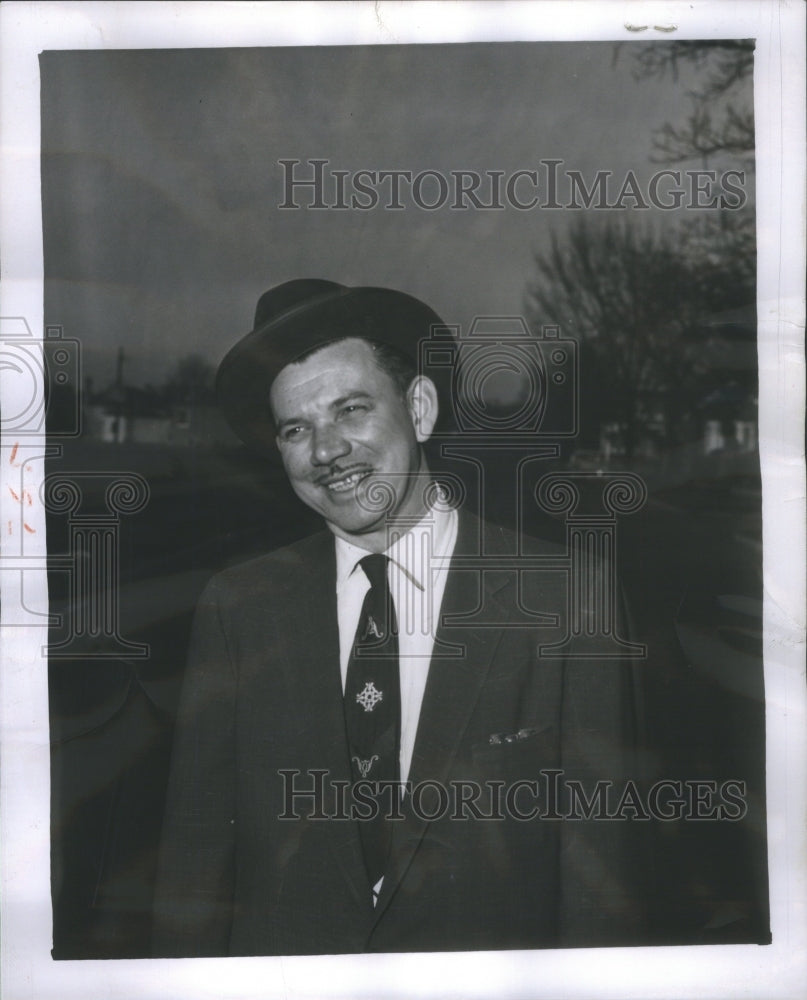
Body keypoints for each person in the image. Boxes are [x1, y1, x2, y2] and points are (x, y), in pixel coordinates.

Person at [152, 279, 646, 957]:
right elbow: (193, 868)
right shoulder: (238, 607)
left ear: (418, 407)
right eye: (296, 429)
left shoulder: (566, 598)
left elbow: (603, 887)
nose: (326, 451)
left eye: (351, 410)